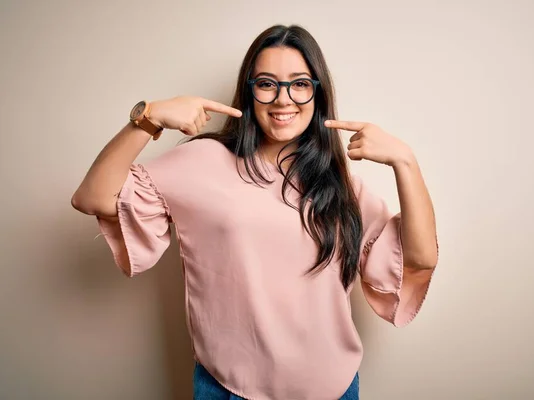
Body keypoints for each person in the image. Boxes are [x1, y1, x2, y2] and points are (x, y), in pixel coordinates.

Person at [71, 24, 438, 400]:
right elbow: (92, 197)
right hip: (228, 388)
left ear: (317, 93)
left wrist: (404, 161)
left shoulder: (341, 186)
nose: (283, 99)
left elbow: (420, 258)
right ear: (249, 93)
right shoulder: (202, 162)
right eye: (267, 83)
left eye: (299, 84)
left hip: (332, 389)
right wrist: (149, 117)